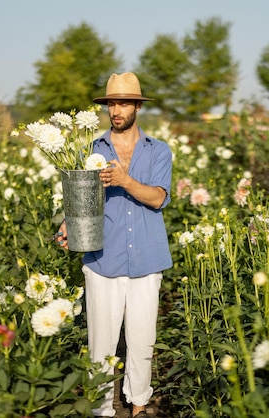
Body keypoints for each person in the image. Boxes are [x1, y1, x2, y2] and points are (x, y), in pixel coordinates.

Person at [56, 72, 173, 418]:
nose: (116, 110)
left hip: (147, 260)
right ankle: (103, 409)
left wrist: (125, 180)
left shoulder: (158, 151)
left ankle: (138, 405)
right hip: (102, 260)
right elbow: (81, 202)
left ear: (137, 105)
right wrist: (69, 223)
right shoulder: (89, 150)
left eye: (123, 103)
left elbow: (158, 198)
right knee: (101, 345)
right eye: (111, 103)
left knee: (141, 342)